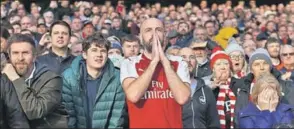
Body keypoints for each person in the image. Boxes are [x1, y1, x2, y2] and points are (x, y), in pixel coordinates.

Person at [120, 18, 191, 128]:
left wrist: (165, 62)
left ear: (165, 34)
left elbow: (182, 98)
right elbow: (133, 95)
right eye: (148, 30)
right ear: (140, 37)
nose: (154, 34)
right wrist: (154, 62)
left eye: (158, 30)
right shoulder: (129, 63)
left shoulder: (179, 62)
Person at [1, 34, 67, 128]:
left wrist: (16, 79)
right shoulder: (4, 79)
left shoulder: (52, 79)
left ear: (35, 56)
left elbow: (35, 111)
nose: (20, 58)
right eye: (15, 53)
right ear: (9, 56)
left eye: (25, 53)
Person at [62, 35, 126, 128]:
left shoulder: (117, 78)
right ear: (84, 54)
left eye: (103, 51)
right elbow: (69, 115)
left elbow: (116, 117)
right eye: (94, 50)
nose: (99, 55)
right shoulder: (69, 77)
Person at [202, 46, 248, 129]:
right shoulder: (205, 87)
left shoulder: (239, 84)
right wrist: (211, 88)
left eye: (226, 64)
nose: (223, 67)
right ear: (213, 69)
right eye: (218, 64)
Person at [178, 47, 220, 128]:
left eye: (192, 57)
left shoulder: (205, 90)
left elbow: (214, 123)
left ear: (196, 63)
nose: (188, 60)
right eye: (183, 57)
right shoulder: (170, 88)